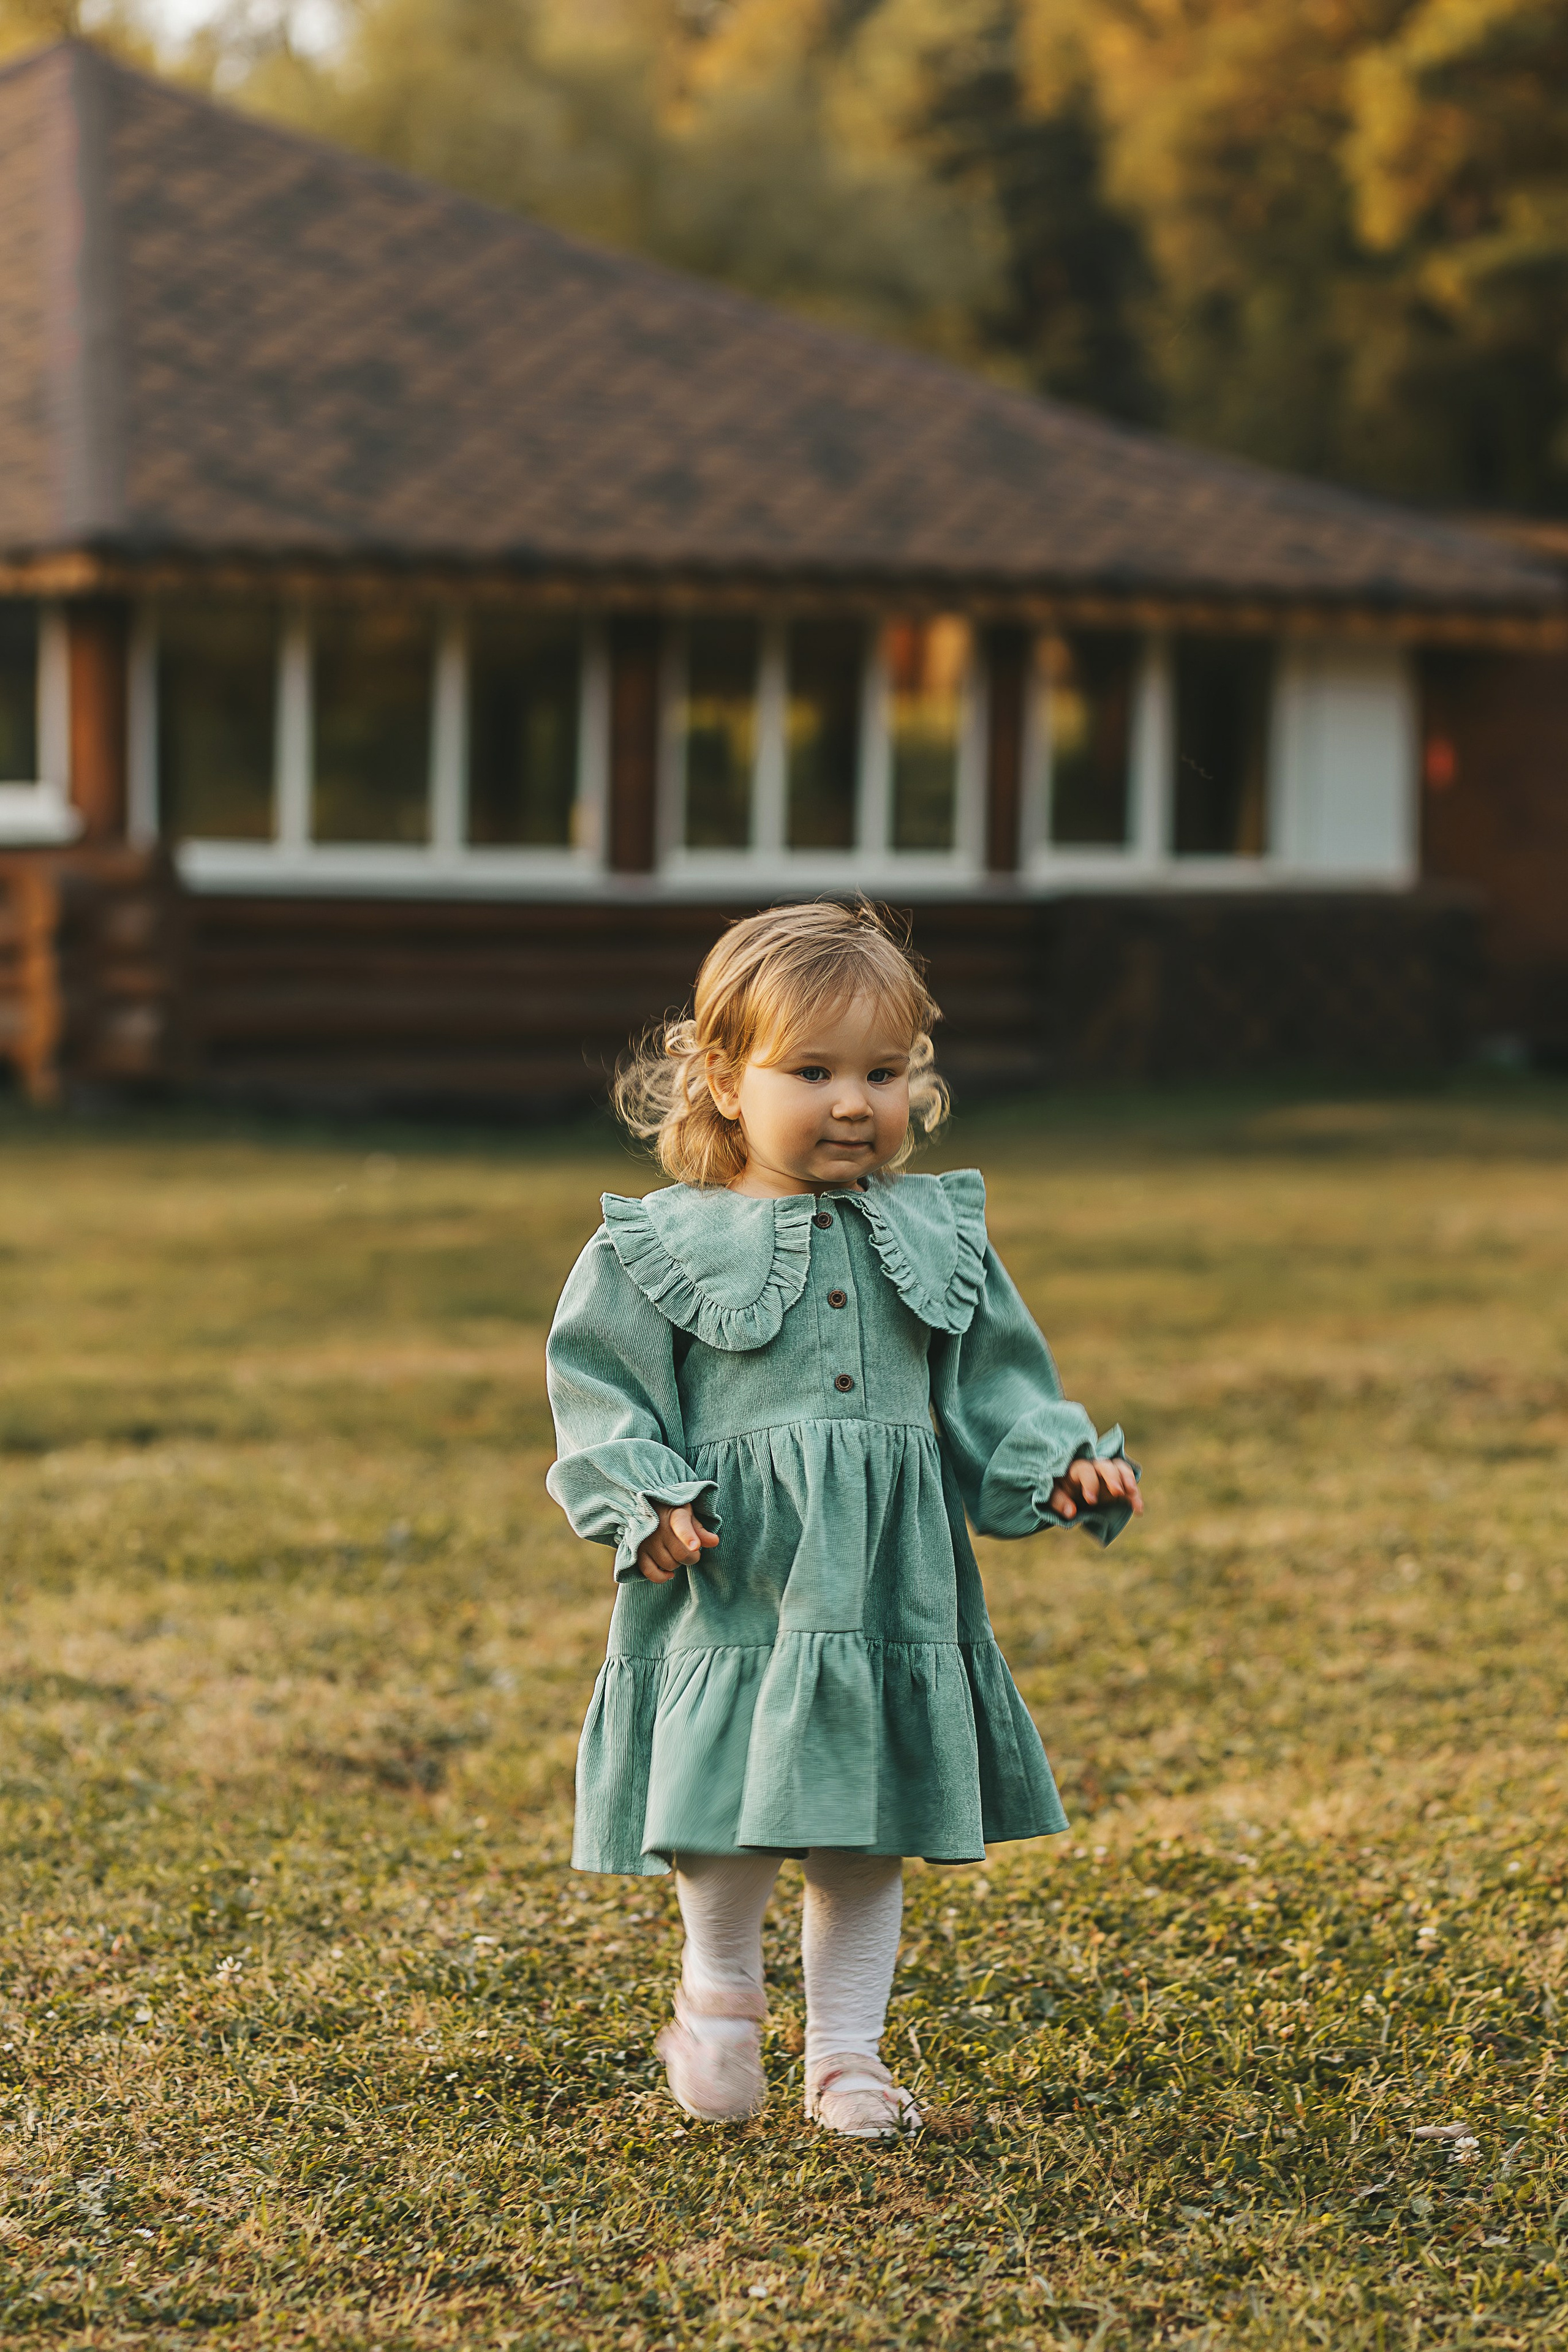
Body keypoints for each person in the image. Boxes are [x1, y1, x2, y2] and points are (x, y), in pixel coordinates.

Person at [545, 901, 1140, 2139]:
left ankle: (845, 2061)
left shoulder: (937, 1236)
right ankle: (716, 1994)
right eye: (811, 1072)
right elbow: (598, 1392)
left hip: (882, 1583)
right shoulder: (660, 1243)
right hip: (735, 1573)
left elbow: (995, 1386)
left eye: (882, 1070)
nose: (854, 1102)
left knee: (862, 1820)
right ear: (722, 1076)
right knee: (725, 1804)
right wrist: (642, 1499)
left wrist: (1057, 1463)